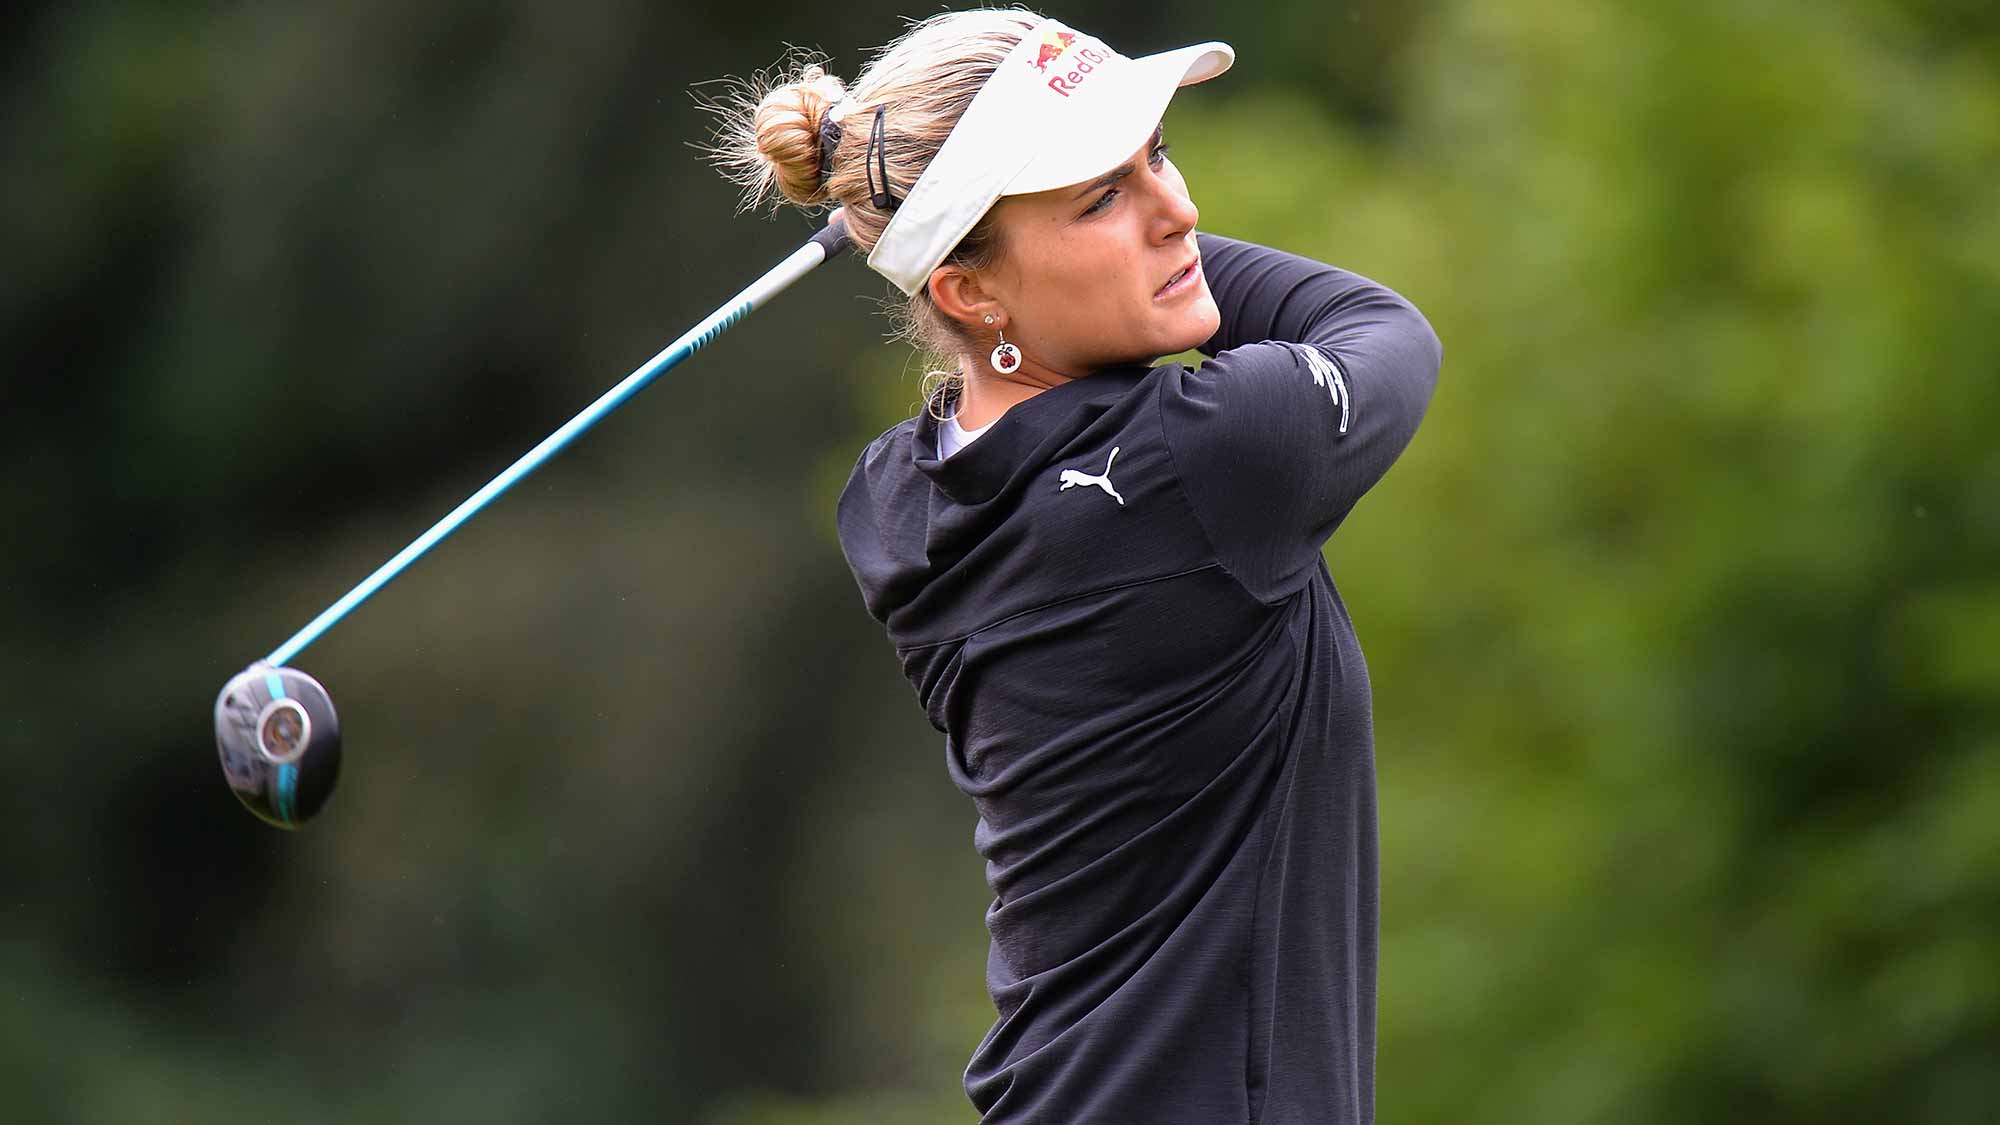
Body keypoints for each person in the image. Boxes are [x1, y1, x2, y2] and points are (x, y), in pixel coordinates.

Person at [711, 9, 1441, 1123]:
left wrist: (1036, 247)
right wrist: (1158, 272)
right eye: (1099, 198)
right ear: (964, 292)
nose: (1179, 210)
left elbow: (1037, 357)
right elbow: (1379, 329)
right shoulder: (1202, 461)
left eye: (1154, 154)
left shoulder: (898, 498)